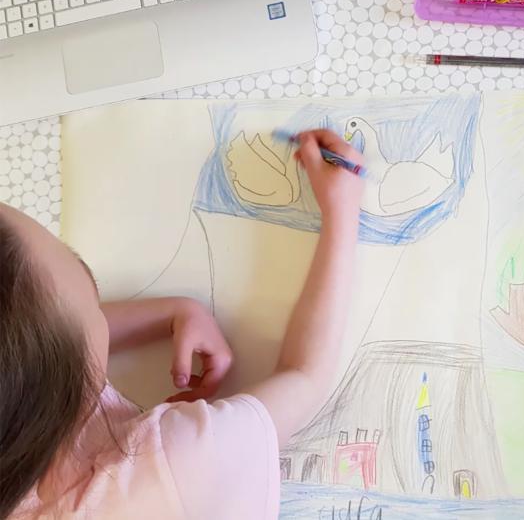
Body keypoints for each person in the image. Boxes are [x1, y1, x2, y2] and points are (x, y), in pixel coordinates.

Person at [0, 130, 364, 519]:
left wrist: (171, 312)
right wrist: (342, 212)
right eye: (91, 289)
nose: (102, 308)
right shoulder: (174, 465)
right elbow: (306, 376)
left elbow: (41, 345)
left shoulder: (22, 437)